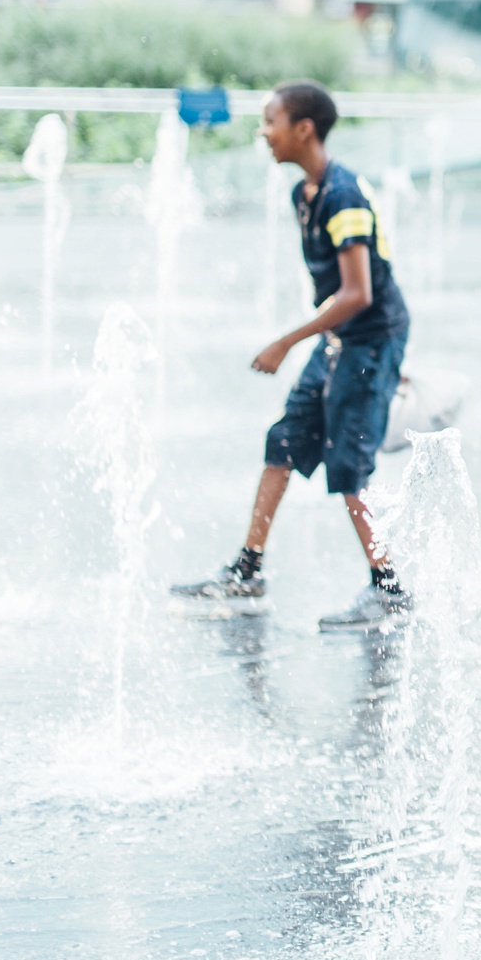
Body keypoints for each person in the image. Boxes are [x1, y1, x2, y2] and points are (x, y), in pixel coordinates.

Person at [171, 82, 416, 631]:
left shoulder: (342, 196)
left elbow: (359, 294)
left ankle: (390, 589)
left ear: (303, 129)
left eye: (271, 121)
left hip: (369, 337)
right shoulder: (304, 193)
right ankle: (247, 571)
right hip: (341, 339)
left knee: (350, 464)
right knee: (283, 441)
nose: (264, 133)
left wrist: (286, 341)